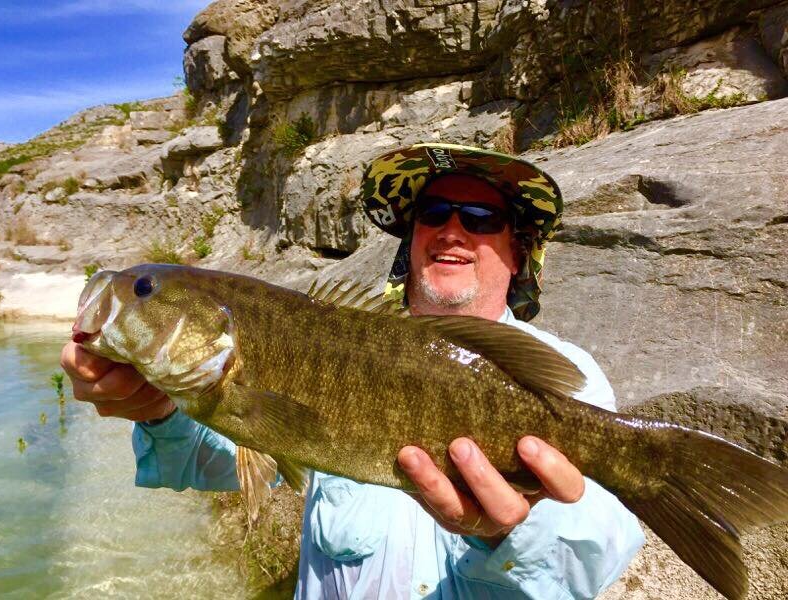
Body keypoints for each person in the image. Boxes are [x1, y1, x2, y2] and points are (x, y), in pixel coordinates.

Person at [61, 143, 644, 599]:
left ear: (518, 251)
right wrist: (155, 406)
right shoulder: (326, 344)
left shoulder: (567, 375)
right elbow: (209, 456)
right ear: (410, 240)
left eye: (482, 217)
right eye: (433, 212)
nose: (451, 229)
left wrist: (513, 530)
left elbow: (598, 561)